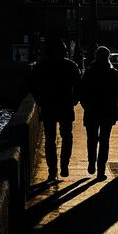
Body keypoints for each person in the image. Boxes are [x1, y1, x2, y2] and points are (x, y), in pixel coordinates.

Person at [26, 37, 81, 181]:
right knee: (66, 137)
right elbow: (79, 86)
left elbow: (31, 84)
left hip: (49, 105)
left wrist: (39, 99)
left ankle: (53, 170)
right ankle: (62, 166)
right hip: (64, 105)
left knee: (51, 139)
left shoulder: (43, 66)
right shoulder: (71, 66)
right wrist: (75, 99)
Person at [80, 45, 118, 181]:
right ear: (107, 57)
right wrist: (112, 103)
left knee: (91, 139)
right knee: (104, 141)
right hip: (107, 111)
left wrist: (86, 106)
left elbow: (83, 92)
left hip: (92, 110)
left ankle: (91, 163)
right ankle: (101, 169)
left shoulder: (89, 72)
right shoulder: (112, 72)